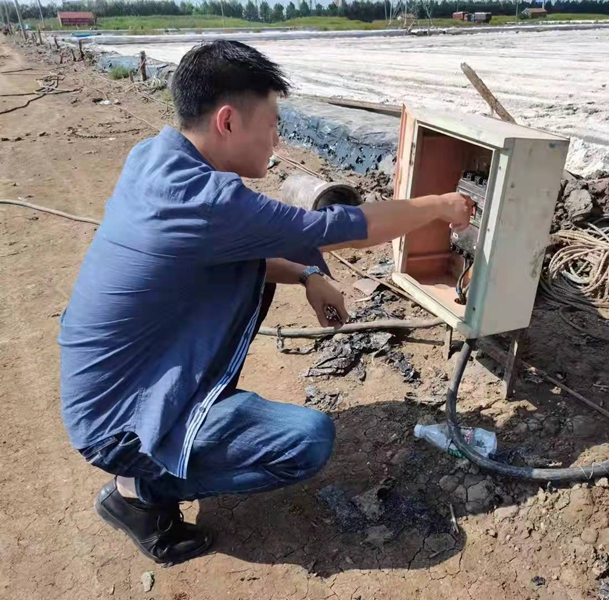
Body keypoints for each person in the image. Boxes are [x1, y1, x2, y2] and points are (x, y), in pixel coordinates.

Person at [58, 40, 472, 565]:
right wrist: (438, 205)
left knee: (255, 276)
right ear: (228, 121)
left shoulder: (157, 159)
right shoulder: (208, 200)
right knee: (307, 441)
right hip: (117, 423)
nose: (277, 138)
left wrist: (306, 274)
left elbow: (241, 251)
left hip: (110, 389)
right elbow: (341, 228)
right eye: (273, 123)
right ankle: (138, 491)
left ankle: (173, 446)